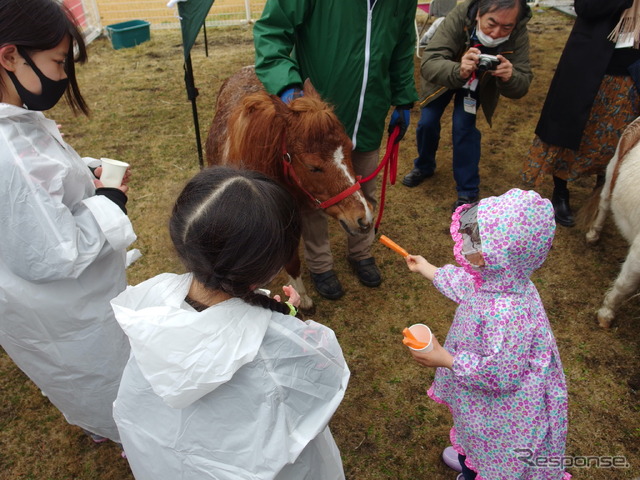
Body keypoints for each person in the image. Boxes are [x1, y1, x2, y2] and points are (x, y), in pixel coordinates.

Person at [112, 167, 350, 480]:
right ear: (273, 265)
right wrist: (282, 323)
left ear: (182, 240)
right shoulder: (282, 346)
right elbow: (316, 389)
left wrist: (271, 318)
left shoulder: (149, 301)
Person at [0, 0, 136, 443]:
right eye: (58, 62)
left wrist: (84, 172)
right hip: (66, 311)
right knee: (104, 376)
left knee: (94, 372)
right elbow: (54, 251)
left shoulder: (17, 119)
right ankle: (128, 435)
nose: (62, 77)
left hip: (53, 308)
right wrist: (109, 201)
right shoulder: (7, 153)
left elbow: (44, 180)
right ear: (10, 56)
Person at [253, 0, 419, 300]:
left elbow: (403, 47)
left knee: (363, 186)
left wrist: (403, 96)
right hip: (319, 123)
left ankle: (361, 252)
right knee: (316, 195)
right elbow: (271, 32)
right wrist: (287, 84)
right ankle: (320, 263)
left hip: (368, 115)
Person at [403, 189, 569, 479]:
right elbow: (465, 285)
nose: (463, 242)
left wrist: (447, 359)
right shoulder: (502, 279)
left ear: (495, 254)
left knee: (490, 442)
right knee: (471, 427)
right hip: (484, 397)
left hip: (503, 410)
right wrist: (427, 268)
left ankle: (477, 468)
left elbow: (500, 374)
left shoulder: (507, 311)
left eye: (472, 240)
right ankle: (471, 454)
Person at [402, 0, 533, 212]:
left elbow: (523, 81)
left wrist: (511, 77)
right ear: (479, 13)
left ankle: (467, 190)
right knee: (427, 122)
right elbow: (430, 62)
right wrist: (458, 70)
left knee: (464, 127)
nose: (496, 33)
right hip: (445, 76)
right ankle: (424, 166)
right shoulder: (459, 16)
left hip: (476, 84)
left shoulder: (518, 30)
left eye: (506, 27)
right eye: (492, 23)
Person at [523, 0, 640, 227]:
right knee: (576, 129)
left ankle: (600, 195)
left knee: (615, 139)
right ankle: (561, 190)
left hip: (630, 72)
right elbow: (586, 7)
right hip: (590, 64)